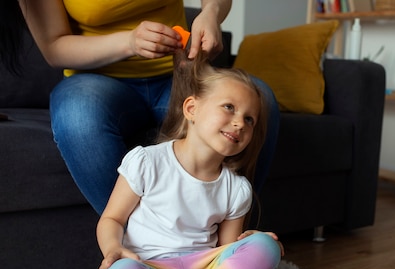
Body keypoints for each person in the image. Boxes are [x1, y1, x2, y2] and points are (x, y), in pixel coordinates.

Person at [96, 52, 294, 269]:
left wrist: (248, 243)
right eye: (229, 107)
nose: (239, 122)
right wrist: (112, 251)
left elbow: (224, 252)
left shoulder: (237, 189)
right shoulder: (147, 162)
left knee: (268, 249)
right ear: (192, 109)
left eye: (249, 119)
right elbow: (112, 220)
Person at [6, 0, 278, 214]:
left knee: (261, 99)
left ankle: (227, 240)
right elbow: (54, 48)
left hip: (179, 71)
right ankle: (144, 245)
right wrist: (129, 42)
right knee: (78, 118)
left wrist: (211, 12)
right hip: (96, 80)